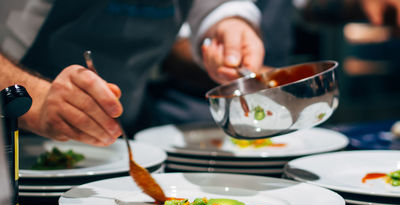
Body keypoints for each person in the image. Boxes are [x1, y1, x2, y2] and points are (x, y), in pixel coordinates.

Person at [0, 0, 265, 146]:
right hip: (12, 149)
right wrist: (36, 100)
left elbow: (212, 7)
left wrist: (229, 22)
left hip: (118, 148)